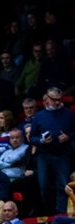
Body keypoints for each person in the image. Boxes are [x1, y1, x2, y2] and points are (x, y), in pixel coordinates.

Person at [29, 86, 75, 215]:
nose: (57, 102)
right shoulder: (39, 116)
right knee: (44, 186)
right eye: (54, 99)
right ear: (47, 99)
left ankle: (61, 214)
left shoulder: (69, 114)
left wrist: (68, 137)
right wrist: (41, 141)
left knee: (62, 185)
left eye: (59, 99)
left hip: (62, 154)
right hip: (44, 154)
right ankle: (49, 214)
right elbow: (32, 138)